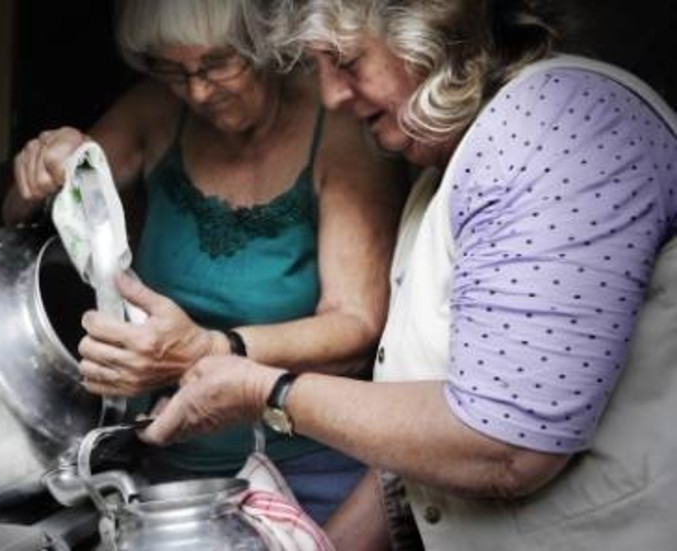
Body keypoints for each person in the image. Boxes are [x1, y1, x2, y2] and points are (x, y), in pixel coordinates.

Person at [140, 0, 677, 549]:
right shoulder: (450, 170)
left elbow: (506, 445)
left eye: (345, 61)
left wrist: (266, 391)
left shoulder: (555, 124)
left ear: (430, 36)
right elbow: (423, 445)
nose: (331, 97)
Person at [3, 0, 403, 525]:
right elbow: (21, 213)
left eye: (217, 64)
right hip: (164, 475)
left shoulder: (338, 128)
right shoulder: (153, 112)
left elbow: (356, 325)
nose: (196, 90)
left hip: (310, 473)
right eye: (172, 70)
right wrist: (46, 168)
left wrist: (214, 349)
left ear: (265, 47)